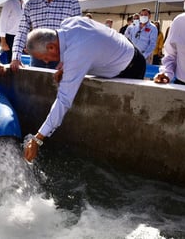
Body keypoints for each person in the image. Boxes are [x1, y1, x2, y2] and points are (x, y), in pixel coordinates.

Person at [23, 16, 146, 162]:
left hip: (131, 67)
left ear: (51, 47)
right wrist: (67, 67)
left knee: (129, 119)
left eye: (44, 58)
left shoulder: (77, 53)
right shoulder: (69, 23)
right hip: (122, 47)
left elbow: (63, 101)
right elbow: (89, 46)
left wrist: (38, 139)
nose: (46, 62)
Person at [10, 0, 81, 71]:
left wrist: (70, 60)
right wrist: (16, 57)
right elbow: (22, 31)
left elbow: (77, 36)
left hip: (62, 61)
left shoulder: (72, 3)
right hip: (37, 59)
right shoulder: (31, 4)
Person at [0, 0, 25, 64]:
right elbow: (2, 22)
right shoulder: (9, 3)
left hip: (20, 37)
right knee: (10, 62)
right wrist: (3, 41)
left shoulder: (24, 4)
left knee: (18, 61)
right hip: (10, 38)